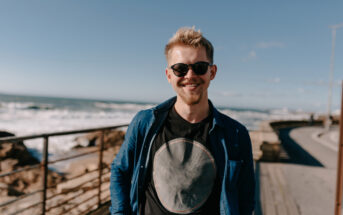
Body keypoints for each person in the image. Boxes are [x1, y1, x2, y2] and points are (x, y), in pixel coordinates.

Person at [110, 27, 255, 215]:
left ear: (212, 72)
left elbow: (246, 197)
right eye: (180, 69)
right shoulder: (145, 123)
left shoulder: (236, 134)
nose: (190, 75)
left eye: (200, 67)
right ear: (169, 75)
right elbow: (120, 171)